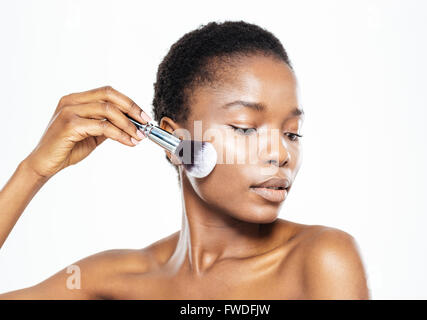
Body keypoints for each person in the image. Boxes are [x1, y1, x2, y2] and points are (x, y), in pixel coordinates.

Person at [0, 21, 370, 299]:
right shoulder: (115, 279)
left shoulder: (320, 258)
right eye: (244, 128)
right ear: (179, 144)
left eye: (292, 133)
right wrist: (33, 170)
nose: (281, 153)